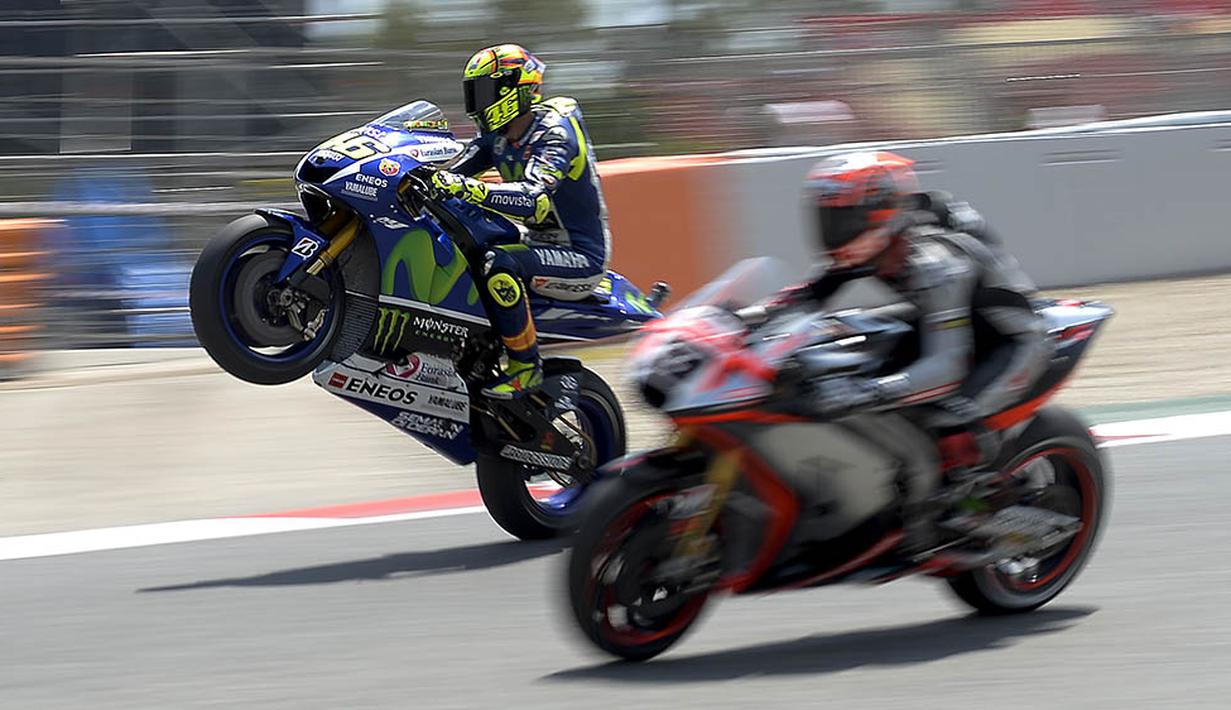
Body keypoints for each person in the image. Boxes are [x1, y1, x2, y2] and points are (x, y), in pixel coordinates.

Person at [775, 150, 1051, 554]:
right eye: (827, 217)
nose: (832, 230)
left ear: (881, 214)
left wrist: (869, 392)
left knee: (949, 421)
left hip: (1008, 344)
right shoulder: (875, 243)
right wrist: (740, 319)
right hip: (942, 323)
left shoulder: (936, 264)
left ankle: (968, 512)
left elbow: (945, 367)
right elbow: (808, 297)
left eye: (843, 218)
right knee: (845, 348)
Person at [427, 44, 610, 398]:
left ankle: (526, 366)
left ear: (514, 90)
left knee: (499, 264)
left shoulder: (554, 134)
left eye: (484, 92)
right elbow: (450, 171)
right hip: (538, 243)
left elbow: (535, 200)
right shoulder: (498, 137)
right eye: (473, 93)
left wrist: (470, 190)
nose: (477, 103)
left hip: (580, 255)